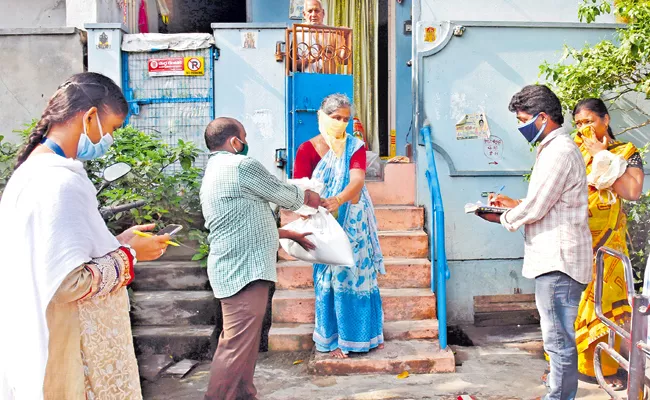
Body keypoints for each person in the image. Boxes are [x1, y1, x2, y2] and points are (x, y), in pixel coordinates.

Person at [0, 72, 171, 400]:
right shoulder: (60, 182)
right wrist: (131, 255)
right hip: (71, 353)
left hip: (40, 339)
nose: (110, 139)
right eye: (113, 129)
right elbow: (68, 283)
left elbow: (53, 260)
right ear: (90, 117)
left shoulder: (30, 173)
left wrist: (118, 243)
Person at [479, 85, 592, 400]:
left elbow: (539, 205)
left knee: (557, 340)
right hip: (555, 258)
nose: (521, 127)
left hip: (560, 261)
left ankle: (558, 396)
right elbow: (549, 203)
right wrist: (510, 205)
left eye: (524, 119)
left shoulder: (560, 150)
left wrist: (501, 217)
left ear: (543, 117)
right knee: (557, 339)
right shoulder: (552, 148)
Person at [200, 117, 321, 400]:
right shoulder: (241, 166)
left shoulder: (216, 170)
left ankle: (244, 394)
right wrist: (313, 197)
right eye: (243, 137)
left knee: (243, 342)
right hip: (244, 270)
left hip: (236, 265)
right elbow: (285, 194)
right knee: (235, 345)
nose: (245, 143)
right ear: (234, 142)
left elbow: (243, 220)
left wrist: (287, 233)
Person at [293, 93, 385, 359]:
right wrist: (316, 207)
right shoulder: (307, 150)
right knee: (329, 276)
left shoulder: (354, 146)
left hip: (353, 217)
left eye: (345, 119)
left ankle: (364, 335)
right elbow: (300, 189)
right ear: (322, 117)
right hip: (322, 220)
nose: (341, 123)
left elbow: (357, 180)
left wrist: (339, 199)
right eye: (336, 118)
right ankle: (334, 338)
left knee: (357, 275)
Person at [572, 98, 644, 387]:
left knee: (610, 305)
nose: (584, 128)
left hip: (609, 245)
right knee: (571, 303)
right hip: (575, 241)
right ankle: (570, 369)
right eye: (578, 123)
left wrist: (604, 159)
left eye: (589, 121)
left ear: (606, 119)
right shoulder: (573, 151)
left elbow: (632, 191)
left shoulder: (625, 152)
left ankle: (613, 370)